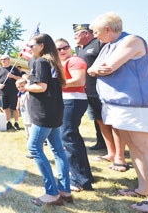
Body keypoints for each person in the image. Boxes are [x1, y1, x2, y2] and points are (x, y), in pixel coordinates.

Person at [88, 12, 148, 212]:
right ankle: (144, 188)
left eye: (96, 32)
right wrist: (97, 69)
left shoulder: (132, 40)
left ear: (108, 29)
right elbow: (93, 69)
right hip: (116, 106)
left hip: (134, 105)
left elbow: (108, 67)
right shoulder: (107, 46)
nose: (95, 37)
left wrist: (98, 69)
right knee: (133, 147)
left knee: (145, 149)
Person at [25, 33, 71, 207]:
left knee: (34, 148)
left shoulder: (42, 61)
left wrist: (25, 87)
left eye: (32, 46)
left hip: (44, 113)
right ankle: (65, 191)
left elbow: (41, 86)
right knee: (57, 150)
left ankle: (52, 193)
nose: (29, 48)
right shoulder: (52, 61)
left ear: (42, 45)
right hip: (54, 112)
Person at [56, 38, 94, 191]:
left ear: (70, 47)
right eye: (58, 49)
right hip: (68, 101)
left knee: (68, 138)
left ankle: (79, 180)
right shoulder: (61, 63)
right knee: (72, 137)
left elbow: (79, 80)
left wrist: (56, 83)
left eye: (64, 47)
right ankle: (85, 176)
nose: (62, 51)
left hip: (73, 100)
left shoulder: (75, 60)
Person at [73, 24, 108, 151]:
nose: (74, 37)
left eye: (77, 34)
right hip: (88, 90)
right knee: (97, 119)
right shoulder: (81, 49)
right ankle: (102, 143)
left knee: (106, 119)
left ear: (86, 33)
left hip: (99, 90)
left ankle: (114, 148)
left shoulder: (99, 43)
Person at [0, 55, 21, 130]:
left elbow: (20, 78)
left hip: (14, 91)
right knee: (5, 108)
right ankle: (8, 122)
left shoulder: (13, 68)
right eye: (1, 59)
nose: (3, 61)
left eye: (4, 59)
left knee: (15, 108)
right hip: (3, 92)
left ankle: (16, 122)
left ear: (8, 59)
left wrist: (13, 76)